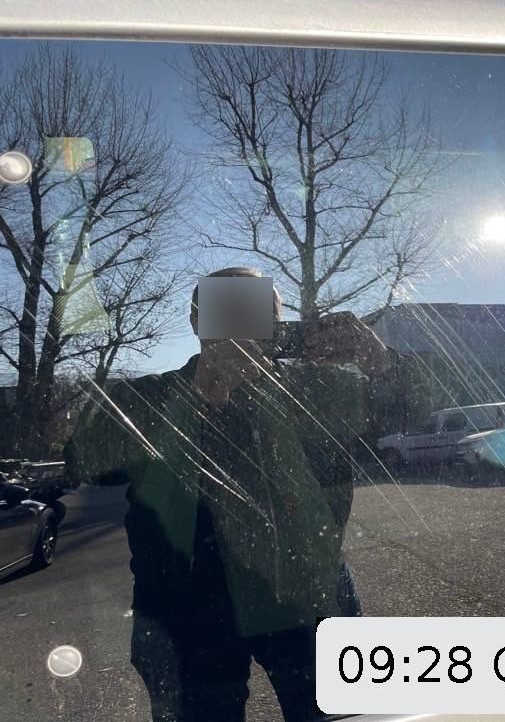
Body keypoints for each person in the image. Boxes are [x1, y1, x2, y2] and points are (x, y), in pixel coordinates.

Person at [64, 266, 393, 722]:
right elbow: (84, 461)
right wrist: (190, 397)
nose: (243, 329)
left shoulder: (316, 388)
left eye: (259, 313)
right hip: (186, 610)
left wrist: (383, 363)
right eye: (228, 311)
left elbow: (414, 410)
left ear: (278, 324)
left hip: (308, 594)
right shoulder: (147, 396)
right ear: (196, 322)